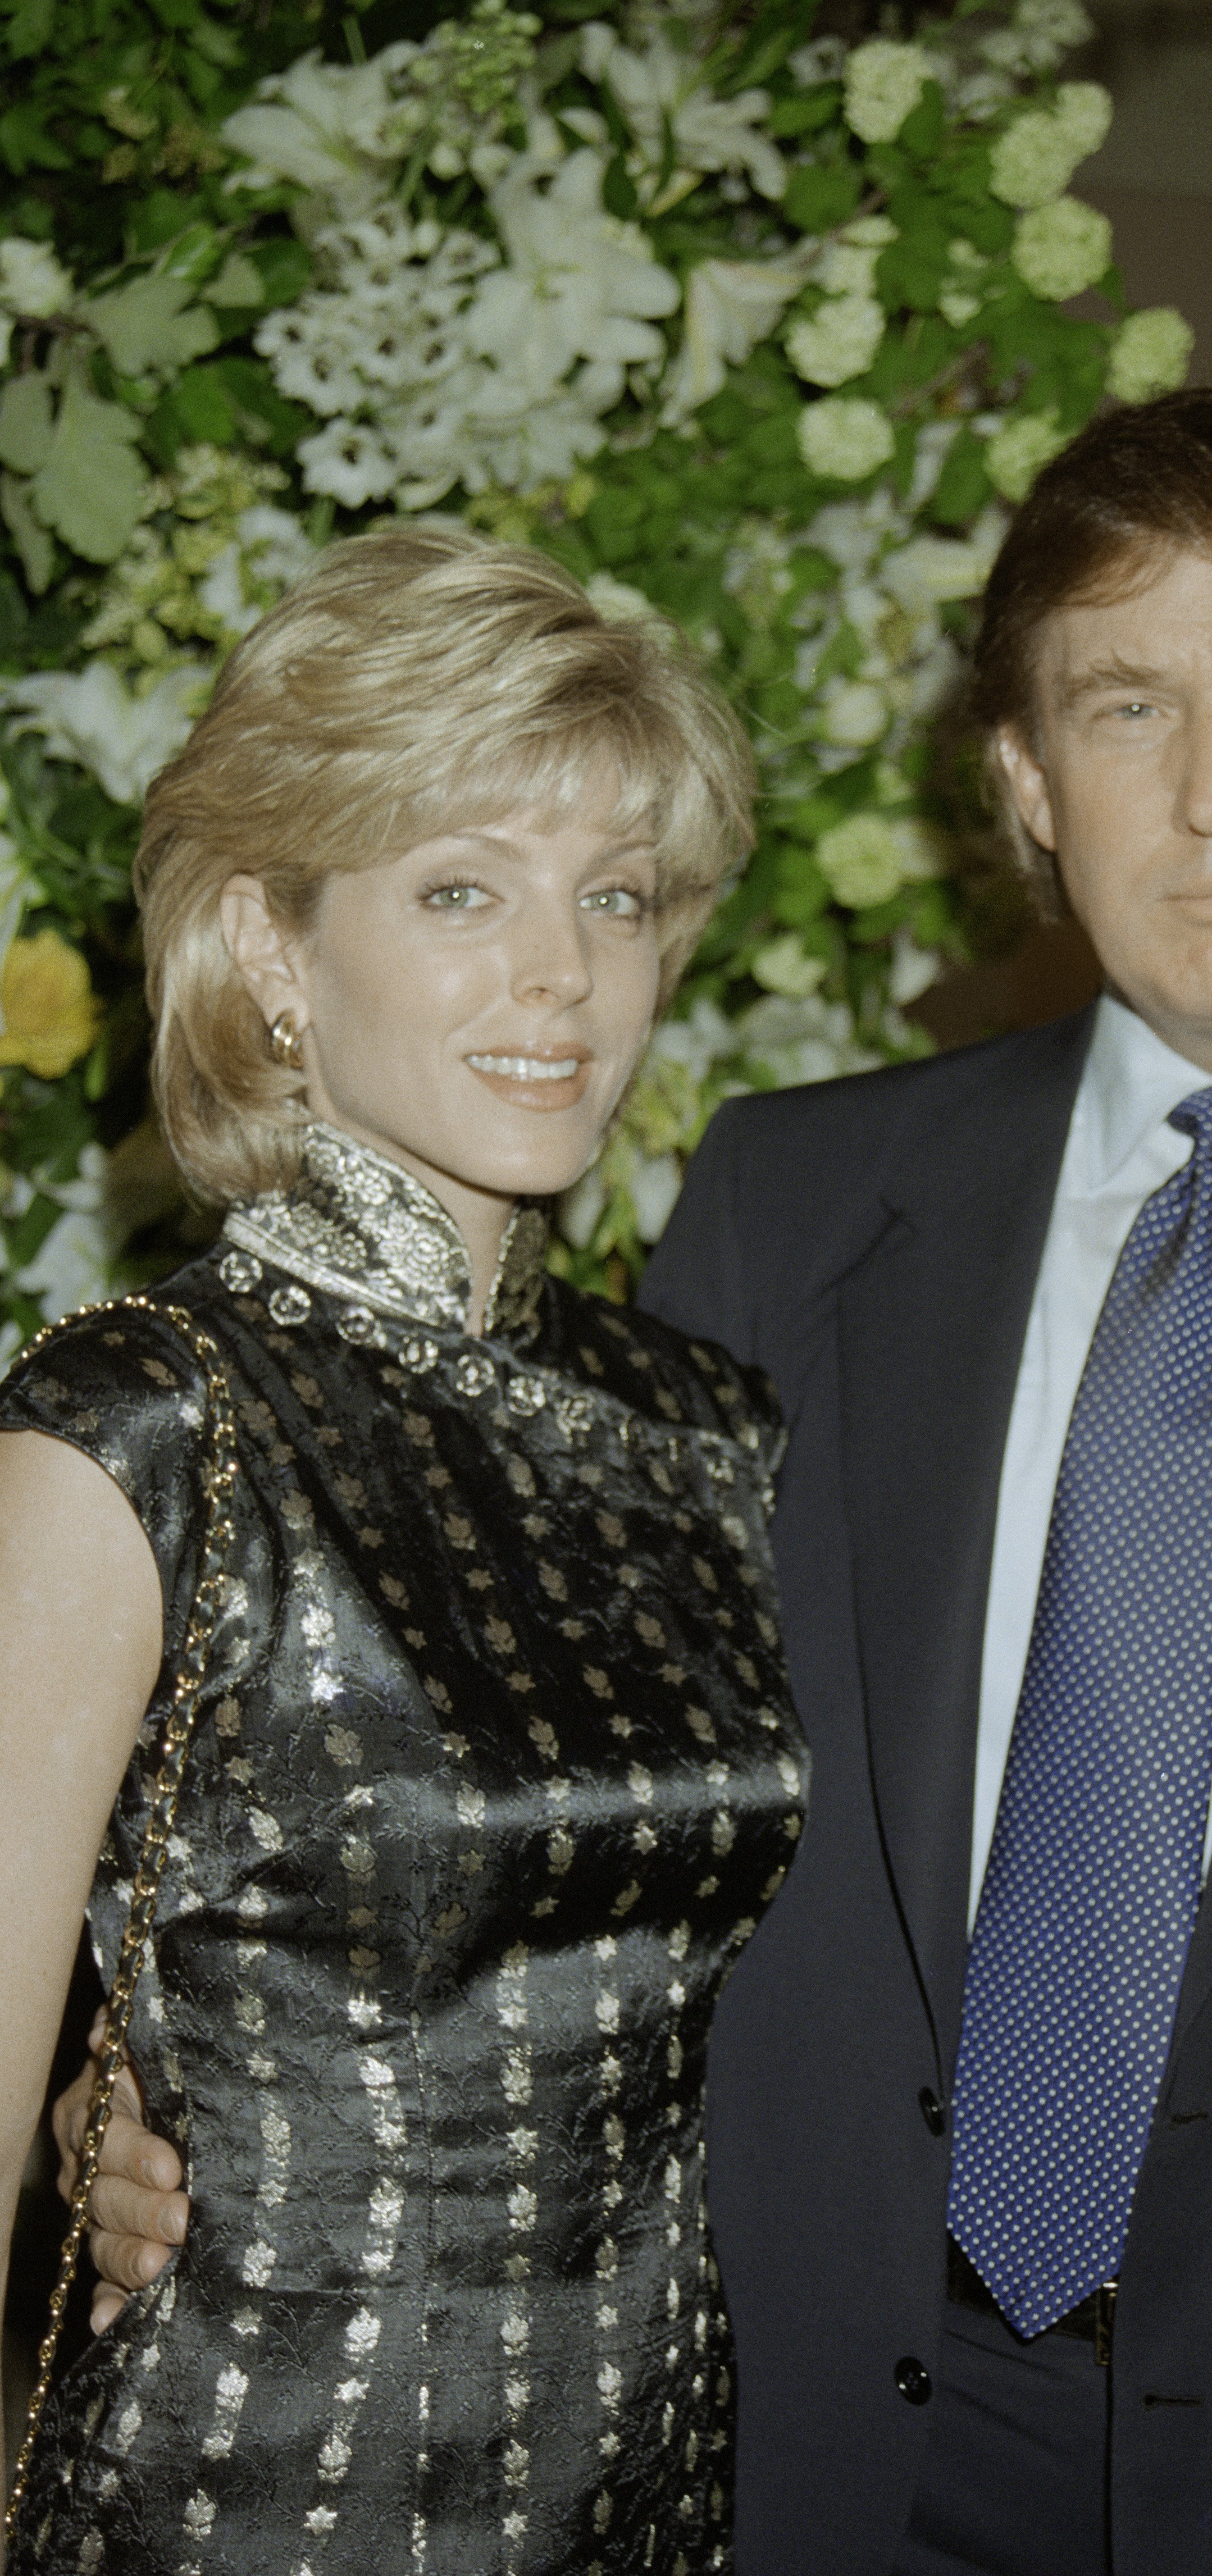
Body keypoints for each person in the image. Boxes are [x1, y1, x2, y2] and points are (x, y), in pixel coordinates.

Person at [61, 388, 1212, 2576]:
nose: (1211, 797)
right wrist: (146, 2078)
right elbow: (525, 1793)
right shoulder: (791, 1205)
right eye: (1125, 704)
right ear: (1025, 781)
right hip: (807, 2444)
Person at [1, 524, 806, 2575]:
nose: (563, 972)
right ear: (273, 945)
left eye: (611, 899)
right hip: (260, 2490)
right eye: (462, 890)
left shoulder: (704, 1427)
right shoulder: (138, 1422)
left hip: (651, 2475)